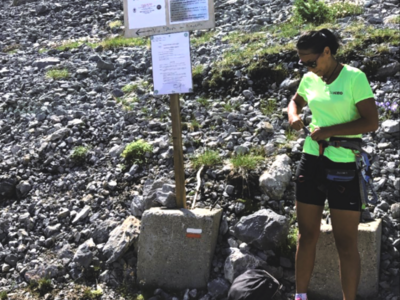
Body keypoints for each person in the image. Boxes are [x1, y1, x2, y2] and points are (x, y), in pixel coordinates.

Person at [287, 29, 379, 300]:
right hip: (311, 160)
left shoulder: (355, 78)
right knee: (306, 235)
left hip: (344, 165)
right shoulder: (309, 78)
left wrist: (328, 131)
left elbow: (371, 122)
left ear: (327, 52)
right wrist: (293, 115)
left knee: (346, 242)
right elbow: (296, 101)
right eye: (302, 62)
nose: (307, 67)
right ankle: (300, 296)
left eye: (311, 61)